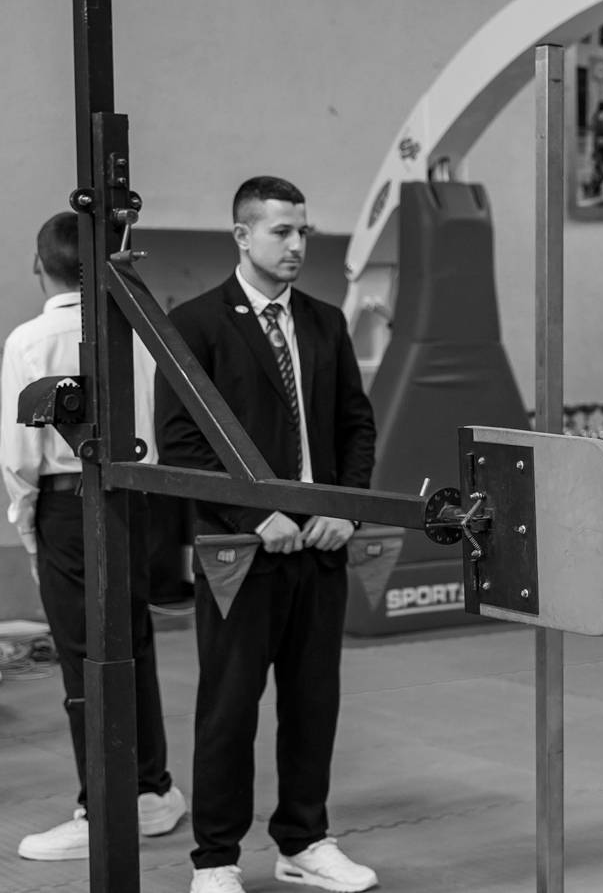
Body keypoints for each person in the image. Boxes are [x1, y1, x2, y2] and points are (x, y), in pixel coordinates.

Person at [157, 177, 378, 893]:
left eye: (303, 231)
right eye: (281, 231)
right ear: (242, 235)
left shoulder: (324, 321)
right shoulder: (194, 324)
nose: (296, 245)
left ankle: (304, 840)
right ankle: (216, 859)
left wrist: (346, 508)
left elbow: (356, 426)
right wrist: (257, 516)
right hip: (240, 550)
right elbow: (183, 444)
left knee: (313, 703)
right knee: (229, 707)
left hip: (321, 545)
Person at [1, 212, 186, 861]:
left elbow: (19, 458)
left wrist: (29, 531)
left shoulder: (30, 340)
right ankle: (152, 791)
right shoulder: (137, 329)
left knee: (84, 659)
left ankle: (101, 807)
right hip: (139, 499)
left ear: (38, 264)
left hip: (68, 507)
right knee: (133, 645)